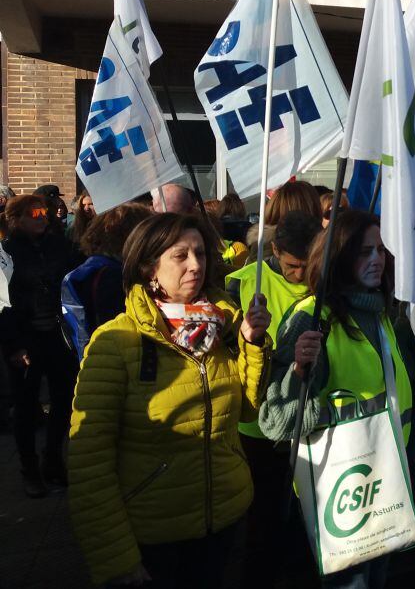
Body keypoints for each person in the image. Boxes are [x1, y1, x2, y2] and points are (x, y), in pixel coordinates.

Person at [67, 212, 271, 587]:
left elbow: (245, 409)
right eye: (181, 256)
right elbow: (89, 464)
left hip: (223, 519)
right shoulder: (115, 343)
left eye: (200, 253)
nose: (196, 264)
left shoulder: (218, 324)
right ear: (149, 268)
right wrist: (117, 558)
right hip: (154, 538)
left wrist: (252, 345)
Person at [259, 210, 413, 589]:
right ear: (339, 258)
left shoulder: (382, 314)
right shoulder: (312, 318)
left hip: (386, 479)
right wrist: (298, 374)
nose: (376, 259)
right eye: (364, 252)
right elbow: (276, 422)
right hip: (341, 488)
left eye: (380, 249)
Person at [225, 209, 322, 587]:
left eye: (307, 264)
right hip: (258, 427)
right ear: (275, 249)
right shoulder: (242, 283)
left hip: (309, 419)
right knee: (263, 522)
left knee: (305, 521)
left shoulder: (327, 277)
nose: (300, 274)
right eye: (293, 265)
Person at [0, 194, 82, 497]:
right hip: (25, 337)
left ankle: (53, 459)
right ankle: (29, 469)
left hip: (57, 336)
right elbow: (3, 306)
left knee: (63, 399)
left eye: (45, 213)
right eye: (35, 213)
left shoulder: (59, 246)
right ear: (16, 218)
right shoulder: (7, 254)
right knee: (25, 405)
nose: (42, 217)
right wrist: (13, 346)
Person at [61, 202, 155, 359]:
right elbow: (116, 328)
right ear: (131, 235)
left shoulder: (93, 267)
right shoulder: (112, 274)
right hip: (114, 358)